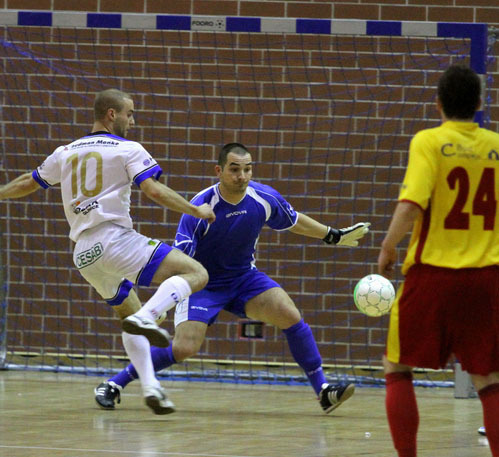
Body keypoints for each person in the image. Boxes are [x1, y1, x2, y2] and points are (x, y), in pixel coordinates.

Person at [94, 142, 370, 415]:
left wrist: (332, 235)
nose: (242, 176)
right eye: (235, 169)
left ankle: (323, 391)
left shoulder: (263, 198)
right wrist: (162, 304)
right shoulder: (200, 207)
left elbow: (294, 220)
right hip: (202, 284)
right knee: (184, 347)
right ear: (219, 171)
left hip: (243, 279)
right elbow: (179, 263)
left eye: (248, 169)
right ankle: (115, 384)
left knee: (289, 314)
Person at [0, 89, 216, 415]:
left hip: (84, 255)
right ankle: (149, 317)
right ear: (112, 114)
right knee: (197, 273)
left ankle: (151, 387)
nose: (133, 120)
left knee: (127, 315)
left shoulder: (66, 151)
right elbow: (153, 189)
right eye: (130, 113)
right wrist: (194, 209)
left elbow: (27, 183)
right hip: (114, 239)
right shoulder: (128, 149)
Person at [377, 64, 499, 457]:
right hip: (487, 278)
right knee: (488, 378)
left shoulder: (429, 141)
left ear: (439, 104)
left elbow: (412, 202)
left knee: (397, 366)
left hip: (433, 274)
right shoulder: (496, 147)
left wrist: (388, 247)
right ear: (481, 104)